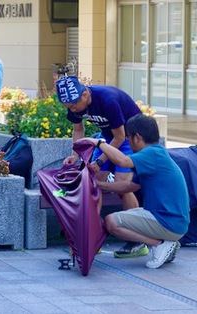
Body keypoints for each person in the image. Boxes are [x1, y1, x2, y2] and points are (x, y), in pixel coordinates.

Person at [55, 75, 149, 259]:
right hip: (107, 139)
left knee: (123, 186)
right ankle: (92, 237)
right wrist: (76, 155)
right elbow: (78, 130)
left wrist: (99, 161)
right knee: (93, 183)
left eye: (74, 105)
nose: (72, 110)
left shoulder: (107, 100)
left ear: (84, 95)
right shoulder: (74, 105)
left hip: (131, 138)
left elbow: (121, 137)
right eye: (68, 107)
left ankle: (138, 242)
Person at [82, 115, 190, 269]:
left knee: (111, 222)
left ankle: (159, 244)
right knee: (122, 216)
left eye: (128, 138)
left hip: (168, 222)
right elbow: (129, 186)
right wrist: (99, 184)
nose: (128, 143)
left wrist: (98, 143)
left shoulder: (152, 153)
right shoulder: (156, 153)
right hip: (173, 221)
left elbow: (123, 161)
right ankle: (165, 243)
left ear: (138, 137)